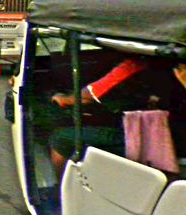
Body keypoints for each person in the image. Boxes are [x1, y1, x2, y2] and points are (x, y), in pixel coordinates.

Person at [49, 57, 186, 179]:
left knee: (61, 138)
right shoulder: (171, 65)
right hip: (166, 133)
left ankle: (61, 193)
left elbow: (86, 96)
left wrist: (61, 97)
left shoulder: (137, 65)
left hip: (155, 138)